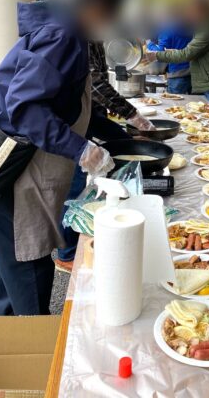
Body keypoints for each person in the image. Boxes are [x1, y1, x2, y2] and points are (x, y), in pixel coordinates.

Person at [0, 0, 129, 316]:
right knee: (29, 258)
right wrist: (81, 149)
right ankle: (35, 339)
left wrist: (121, 134)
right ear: (97, 5)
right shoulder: (62, 34)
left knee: (10, 255)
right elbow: (24, 107)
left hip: (20, 156)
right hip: (14, 162)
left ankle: (2, 332)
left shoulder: (68, 28)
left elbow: (67, 104)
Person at [54, 40, 154, 274]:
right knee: (72, 189)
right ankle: (67, 254)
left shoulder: (92, 37)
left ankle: (71, 247)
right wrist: (132, 115)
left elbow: (94, 97)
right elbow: (96, 85)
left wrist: (124, 138)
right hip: (69, 126)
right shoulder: (76, 36)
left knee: (77, 186)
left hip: (84, 117)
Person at [146, 0, 209, 114]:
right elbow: (194, 50)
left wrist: (156, 55)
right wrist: (175, 52)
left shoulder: (208, 27)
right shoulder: (206, 24)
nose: (188, 14)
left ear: (201, 9)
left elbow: (188, 53)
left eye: (191, 10)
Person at [146, 26, 192, 94]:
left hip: (177, 73)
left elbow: (159, 52)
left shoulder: (167, 31)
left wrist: (149, 43)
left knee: (174, 99)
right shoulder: (190, 28)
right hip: (193, 72)